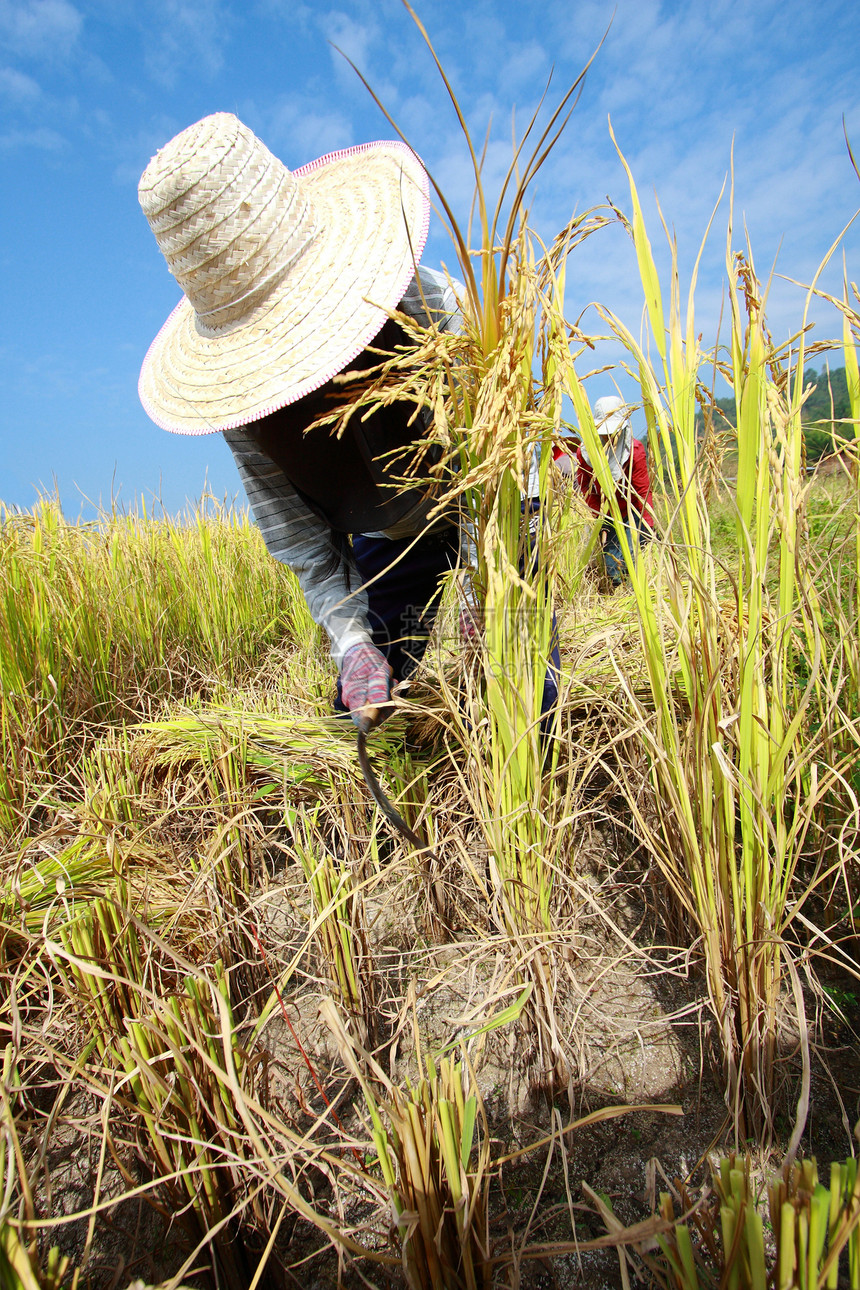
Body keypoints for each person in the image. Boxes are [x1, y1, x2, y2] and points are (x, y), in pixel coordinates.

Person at [137, 113, 558, 730]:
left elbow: (503, 456)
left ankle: (539, 792)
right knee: (356, 715)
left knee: (520, 684)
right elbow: (305, 542)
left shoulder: (437, 310)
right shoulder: (245, 409)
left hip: (486, 509)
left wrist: (481, 580)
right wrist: (354, 645)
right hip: (389, 538)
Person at [575, 396, 655, 587]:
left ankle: (632, 593)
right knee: (612, 564)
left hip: (630, 512)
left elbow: (642, 490)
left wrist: (648, 525)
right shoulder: (585, 453)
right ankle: (616, 593)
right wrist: (598, 514)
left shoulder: (634, 450)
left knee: (631, 558)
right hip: (606, 514)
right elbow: (585, 486)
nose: (609, 437)